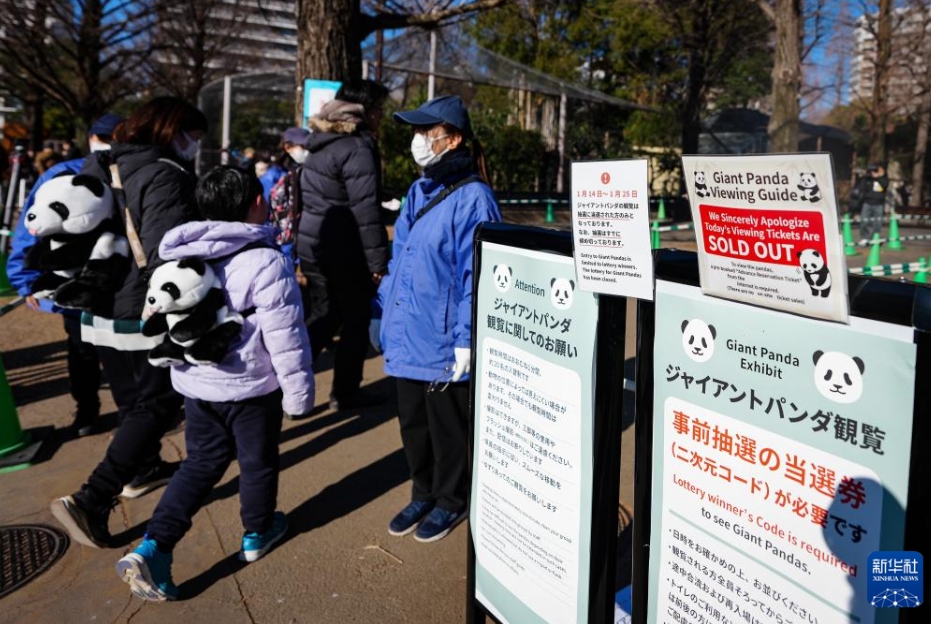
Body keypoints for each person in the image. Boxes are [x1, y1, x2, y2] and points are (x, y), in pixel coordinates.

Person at [115, 165, 314, 602]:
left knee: (200, 462)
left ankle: (154, 544)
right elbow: (285, 334)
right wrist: (298, 397)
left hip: (196, 384)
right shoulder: (266, 261)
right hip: (251, 387)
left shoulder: (180, 255)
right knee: (257, 461)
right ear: (256, 203)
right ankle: (257, 532)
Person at [50, 97, 208, 549]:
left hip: (100, 305)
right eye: (193, 137)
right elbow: (167, 249)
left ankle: (143, 468)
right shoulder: (164, 173)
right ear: (171, 131)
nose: (194, 146)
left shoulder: (102, 165)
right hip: (142, 306)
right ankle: (92, 497)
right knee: (158, 404)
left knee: (132, 399)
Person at [374, 95, 501, 542]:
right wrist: (383, 313)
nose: (418, 140)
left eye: (427, 132)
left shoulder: (475, 198)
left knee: (448, 429)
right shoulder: (418, 191)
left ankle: (451, 499)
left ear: (454, 139)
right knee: (413, 426)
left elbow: (477, 278)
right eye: (416, 131)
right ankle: (422, 492)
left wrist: (467, 338)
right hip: (408, 334)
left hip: (444, 340)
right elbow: (398, 262)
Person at [6, 114, 123, 437]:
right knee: (81, 349)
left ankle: (132, 416)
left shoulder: (129, 172)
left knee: (121, 352)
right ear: (91, 138)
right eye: (104, 138)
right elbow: (31, 227)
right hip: (71, 280)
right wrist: (26, 280)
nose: (108, 145)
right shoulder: (62, 174)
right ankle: (87, 410)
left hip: (117, 279)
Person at [297, 80, 390, 411]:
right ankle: (345, 392)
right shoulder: (357, 147)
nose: (381, 116)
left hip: (314, 243)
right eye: (379, 109)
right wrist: (378, 262)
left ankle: (289, 385)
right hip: (344, 249)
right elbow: (366, 211)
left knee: (325, 313)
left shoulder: (321, 142)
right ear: (364, 110)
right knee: (355, 318)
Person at [855, 163, 889, 243]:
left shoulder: (884, 179)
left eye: (876, 170)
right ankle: (865, 237)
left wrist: (879, 176)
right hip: (867, 203)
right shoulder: (867, 179)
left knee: (877, 223)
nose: (874, 172)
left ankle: (874, 237)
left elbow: (885, 185)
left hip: (879, 204)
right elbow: (861, 186)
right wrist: (865, 174)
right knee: (864, 221)